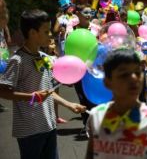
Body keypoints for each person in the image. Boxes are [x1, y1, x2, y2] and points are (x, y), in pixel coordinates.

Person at [0, 9, 86, 159]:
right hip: (29, 131)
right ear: (33, 33)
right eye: (46, 32)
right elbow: (2, 91)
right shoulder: (18, 60)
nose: (51, 35)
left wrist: (69, 104)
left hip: (49, 126)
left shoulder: (45, 57)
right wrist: (31, 97)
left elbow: (48, 91)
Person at [85, 49, 147, 159]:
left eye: (137, 72)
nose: (134, 78)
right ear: (107, 82)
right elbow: (90, 154)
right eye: (124, 74)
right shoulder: (97, 115)